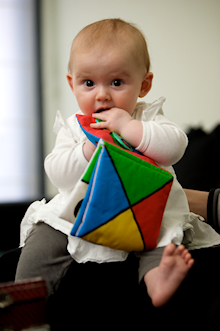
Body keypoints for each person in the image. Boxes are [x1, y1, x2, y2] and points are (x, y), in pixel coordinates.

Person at [15, 19, 220, 311]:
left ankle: (157, 278)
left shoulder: (146, 118)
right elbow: (57, 171)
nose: (102, 94)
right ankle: (24, 304)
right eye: (89, 83)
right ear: (72, 83)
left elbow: (175, 147)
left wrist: (129, 127)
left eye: (116, 82)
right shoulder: (74, 128)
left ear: (144, 84)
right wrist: (87, 150)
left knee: (164, 237)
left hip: (145, 212)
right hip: (80, 212)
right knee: (43, 237)